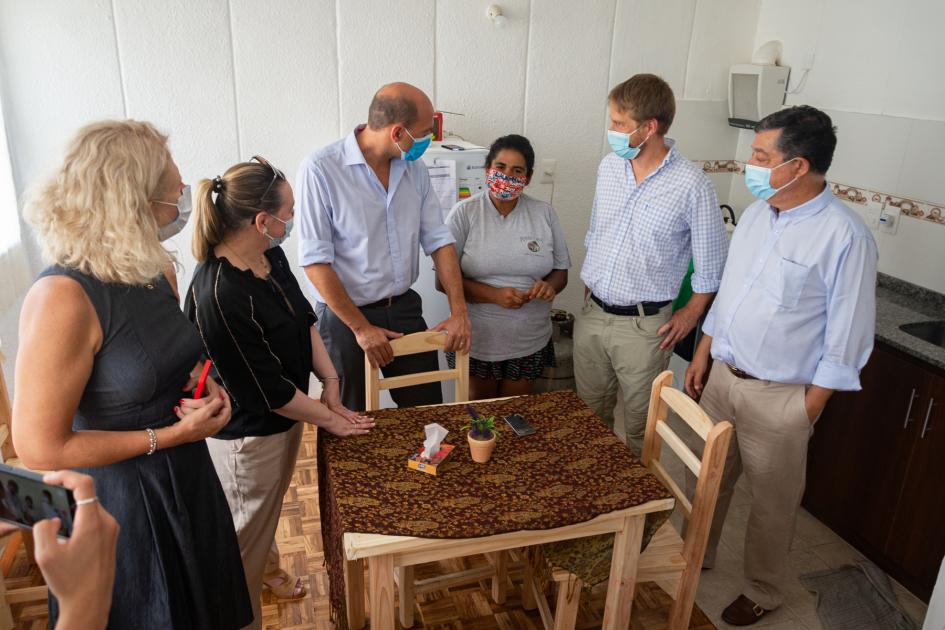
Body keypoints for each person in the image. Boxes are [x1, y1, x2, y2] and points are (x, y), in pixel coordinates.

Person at [14, 120, 252, 629]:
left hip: (187, 473)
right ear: (131, 203)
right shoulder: (62, 297)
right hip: (119, 503)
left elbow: (167, 359)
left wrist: (204, 386)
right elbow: (37, 446)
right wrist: (166, 436)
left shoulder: (153, 270)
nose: (181, 207)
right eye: (173, 195)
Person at [684, 106, 877, 626]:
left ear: (798, 166)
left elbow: (848, 339)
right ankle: (692, 555)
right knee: (707, 480)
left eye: (760, 156)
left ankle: (762, 590)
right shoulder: (757, 214)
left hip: (781, 397)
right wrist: (704, 351)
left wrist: (805, 410)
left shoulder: (844, 237)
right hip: (724, 377)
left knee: (771, 505)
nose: (750, 164)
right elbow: (731, 294)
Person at [185, 156, 375, 629]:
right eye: (289, 211)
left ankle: (267, 574)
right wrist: (333, 418)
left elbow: (303, 318)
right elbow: (266, 390)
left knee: (261, 516)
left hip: (289, 414)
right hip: (249, 437)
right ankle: (242, 615)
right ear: (261, 221)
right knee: (242, 536)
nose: (294, 219)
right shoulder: (220, 295)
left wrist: (332, 385)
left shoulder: (269, 255)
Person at [575, 74, 728, 455]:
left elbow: (712, 265)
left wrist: (689, 315)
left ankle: (643, 514)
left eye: (619, 123)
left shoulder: (692, 184)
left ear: (649, 127)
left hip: (644, 328)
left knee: (643, 430)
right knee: (588, 419)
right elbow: (597, 230)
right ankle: (598, 502)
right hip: (594, 315)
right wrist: (591, 287)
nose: (611, 130)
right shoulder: (609, 167)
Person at [297, 82, 471, 411]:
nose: (428, 140)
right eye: (423, 133)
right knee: (351, 421)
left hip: (404, 310)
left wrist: (459, 312)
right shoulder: (321, 169)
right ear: (397, 133)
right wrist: (361, 328)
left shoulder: (414, 170)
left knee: (426, 412)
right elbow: (315, 262)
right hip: (346, 318)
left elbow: (439, 240)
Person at [442, 134, 570, 399]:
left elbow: (561, 272)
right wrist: (494, 295)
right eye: (500, 167)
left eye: (517, 170)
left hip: (529, 341)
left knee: (515, 416)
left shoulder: (544, 214)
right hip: (478, 341)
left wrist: (549, 287)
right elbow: (442, 280)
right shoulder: (465, 213)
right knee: (480, 421)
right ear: (488, 169)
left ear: (528, 177)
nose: (507, 175)